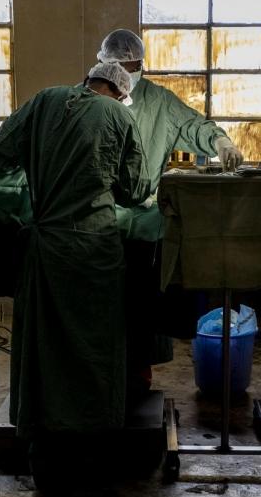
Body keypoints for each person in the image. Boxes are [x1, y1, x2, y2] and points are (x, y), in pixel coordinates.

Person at [0, 62, 151, 452]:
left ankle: (42, 425)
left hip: (45, 251)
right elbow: (134, 190)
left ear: (89, 80)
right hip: (93, 251)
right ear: (120, 91)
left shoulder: (45, 99)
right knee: (94, 345)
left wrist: (42, 172)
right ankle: (94, 430)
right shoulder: (118, 116)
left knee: (46, 344)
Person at [96, 28, 245, 388]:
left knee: (140, 306)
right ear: (101, 65)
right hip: (95, 219)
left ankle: (136, 376)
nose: (122, 77)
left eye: (130, 69)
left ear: (141, 68)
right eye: (116, 68)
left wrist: (220, 141)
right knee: (98, 308)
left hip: (142, 224)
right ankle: (99, 376)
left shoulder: (157, 102)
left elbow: (193, 125)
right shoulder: (85, 98)